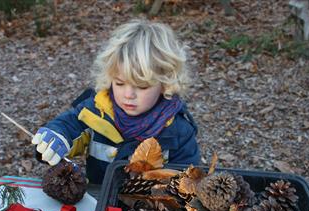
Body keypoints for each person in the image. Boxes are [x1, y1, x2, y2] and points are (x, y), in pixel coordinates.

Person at [32, 19, 201, 184]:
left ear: (165, 84)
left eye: (141, 87)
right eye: (119, 83)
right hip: (98, 203)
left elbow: (189, 180)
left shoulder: (178, 131)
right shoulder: (95, 111)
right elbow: (68, 126)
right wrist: (55, 137)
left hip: (152, 209)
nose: (128, 94)